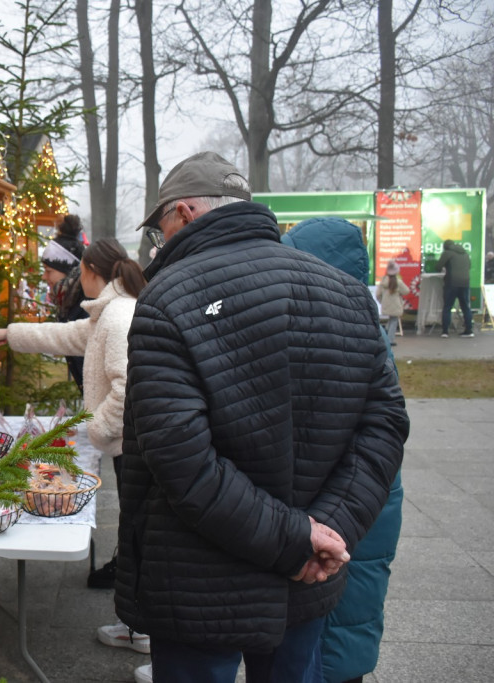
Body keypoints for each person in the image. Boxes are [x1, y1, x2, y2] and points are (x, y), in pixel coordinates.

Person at [118, 152, 409, 683]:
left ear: (182, 212)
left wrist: (304, 540)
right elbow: (384, 428)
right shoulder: (346, 293)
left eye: (160, 229)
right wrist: (324, 533)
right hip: (310, 573)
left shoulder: (168, 298)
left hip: (200, 586)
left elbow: (181, 461)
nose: (160, 245)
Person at [0, 238, 151, 654]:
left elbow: (128, 385)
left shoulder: (117, 316)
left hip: (132, 446)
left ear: (94, 271)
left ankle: (145, 631)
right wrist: (13, 334)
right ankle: (135, 624)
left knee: (138, 535)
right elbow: (68, 336)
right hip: (126, 444)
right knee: (133, 530)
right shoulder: (108, 311)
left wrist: (97, 430)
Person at [281, 217, 405, 683]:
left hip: (349, 515)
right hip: (364, 505)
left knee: (334, 629)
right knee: (346, 622)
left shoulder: (341, 336)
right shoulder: (363, 330)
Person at [40, 214, 89, 390]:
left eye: (48, 271)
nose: (44, 277)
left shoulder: (86, 306)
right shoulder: (70, 302)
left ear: (69, 271)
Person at [435, 239, 474, 338]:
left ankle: (445, 331)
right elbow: (469, 266)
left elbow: (438, 267)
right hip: (465, 283)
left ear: (445, 246)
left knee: (447, 307)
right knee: (465, 307)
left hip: (451, 283)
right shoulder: (465, 253)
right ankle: (469, 330)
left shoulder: (447, 253)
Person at [375, 259, 410, 345]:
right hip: (396, 306)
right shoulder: (398, 282)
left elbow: (378, 294)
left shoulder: (383, 282)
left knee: (390, 320)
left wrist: (381, 301)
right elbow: (406, 291)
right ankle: (390, 340)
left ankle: (385, 334)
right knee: (394, 321)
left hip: (386, 305)